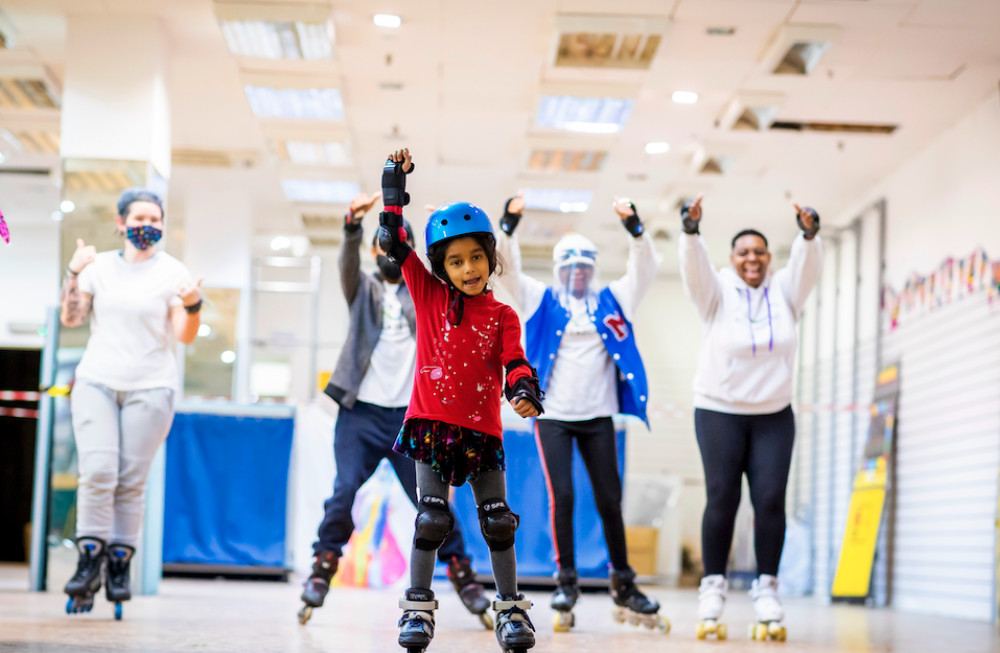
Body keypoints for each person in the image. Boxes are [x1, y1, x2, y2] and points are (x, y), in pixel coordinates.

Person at [377, 148, 544, 653]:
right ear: (441, 267)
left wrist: (521, 390)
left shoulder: (502, 314)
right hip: (430, 423)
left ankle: (511, 612)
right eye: (455, 260)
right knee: (432, 517)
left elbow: (515, 361)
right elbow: (391, 239)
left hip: (481, 431)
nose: (468, 268)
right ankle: (418, 611)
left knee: (497, 519)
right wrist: (393, 185)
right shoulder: (426, 295)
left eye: (476, 257)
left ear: (491, 258)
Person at [299, 192, 490, 628]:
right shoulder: (362, 289)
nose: (387, 253)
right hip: (360, 415)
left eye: (394, 247)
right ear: (372, 252)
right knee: (344, 490)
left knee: (432, 504)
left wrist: (439, 235)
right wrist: (351, 225)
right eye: (380, 247)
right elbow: (347, 263)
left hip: (412, 419)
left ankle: (465, 577)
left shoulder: (422, 294)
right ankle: (322, 568)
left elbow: (446, 280)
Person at [496, 193, 666, 633]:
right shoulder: (542, 299)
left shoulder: (612, 300)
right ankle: (566, 582)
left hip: (599, 416)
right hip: (552, 415)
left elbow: (644, 270)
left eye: (584, 267)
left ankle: (624, 584)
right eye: (570, 267)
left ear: (593, 269)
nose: (577, 274)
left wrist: (636, 232)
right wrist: (508, 227)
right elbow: (509, 269)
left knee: (610, 499)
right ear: (558, 270)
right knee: (564, 497)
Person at [678, 195, 822, 641]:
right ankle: (713, 589)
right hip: (719, 410)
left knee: (770, 499)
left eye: (760, 252)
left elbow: (807, 266)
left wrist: (809, 234)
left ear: (769, 258)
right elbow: (695, 271)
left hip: (774, 414)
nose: (752, 259)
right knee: (722, 498)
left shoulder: (785, 293)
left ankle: (767, 589)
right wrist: (690, 231)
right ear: (733, 259)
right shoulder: (717, 293)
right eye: (743, 252)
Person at [59, 187, 202, 619]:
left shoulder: (173, 271)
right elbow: (71, 318)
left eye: (156, 219)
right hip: (98, 381)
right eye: (140, 218)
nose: (149, 226)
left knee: (130, 479)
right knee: (99, 470)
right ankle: (89, 562)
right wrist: (73, 272)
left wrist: (193, 305)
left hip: (151, 386)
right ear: (121, 223)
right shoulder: (98, 266)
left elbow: (184, 334)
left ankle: (119, 565)